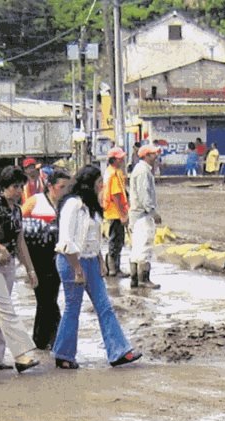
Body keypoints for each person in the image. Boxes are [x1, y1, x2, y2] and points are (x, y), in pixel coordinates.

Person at [52, 165, 143, 370]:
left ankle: (119, 351)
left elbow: (92, 239)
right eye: (98, 182)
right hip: (71, 260)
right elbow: (66, 239)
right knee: (72, 308)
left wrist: (100, 260)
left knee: (105, 306)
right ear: (89, 183)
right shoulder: (72, 205)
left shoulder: (91, 206)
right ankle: (63, 354)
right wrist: (76, 268)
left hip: (91, 260)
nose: (102, 185)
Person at [0, 166, 41, 373]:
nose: (19, 191)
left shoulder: (16, 209)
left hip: (8, 265)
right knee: (6, 310)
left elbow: (20, 240)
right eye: (15, 186)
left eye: (21, 186)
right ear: (5, 187)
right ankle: (22, 355)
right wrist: (0, 248)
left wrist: (30, 270)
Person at [22, 167, 73, 350]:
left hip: (58, 257)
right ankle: (51, 338)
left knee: (48, 298)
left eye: (68, 187)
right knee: (45, 299)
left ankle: (42, 340)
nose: (65, 191)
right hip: (37, 258)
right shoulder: (36, 201)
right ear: (50, 186)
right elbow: (17, 225)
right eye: (62, 187)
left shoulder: (68, 205)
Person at [127, 144, 163, 288]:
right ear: (146, 156)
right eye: (153, 154)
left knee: (136, 248)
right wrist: (153, 212)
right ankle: (143, 279)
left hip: (137, 215)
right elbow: (144, 195)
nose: (156, 157)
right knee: (144, 246)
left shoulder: (141, 169)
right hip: (142, 215)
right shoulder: (143, 171)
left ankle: (135, 278)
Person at [102, 146, 129, 277]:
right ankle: (114, 269)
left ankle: (111, 267)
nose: (122, 160)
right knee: (116, 241)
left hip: (111, 212)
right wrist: (122, 215)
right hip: (114, 213)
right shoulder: (113, 174)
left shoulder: (110, 171)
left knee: (115, 240)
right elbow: (116, 195)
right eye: (120, 158)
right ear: (114, 160)